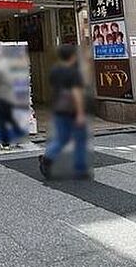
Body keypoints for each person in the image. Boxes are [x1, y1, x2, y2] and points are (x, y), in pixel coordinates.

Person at [39, 45, 89, 179]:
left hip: (58, 108)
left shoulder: (55, 71)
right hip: (72, 110)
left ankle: (47, 158)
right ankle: (80, 169)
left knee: (61, 139)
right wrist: (80, 113)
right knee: (80, 139)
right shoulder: (74, 73)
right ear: (72, 56)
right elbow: (76, 93)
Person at [0, 50, 23, 150]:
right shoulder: (5, 67)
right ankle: (19, 136)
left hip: (1, 98)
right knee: (9, 118)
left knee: (1, 121)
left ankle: (5, 144)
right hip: (9, 97)